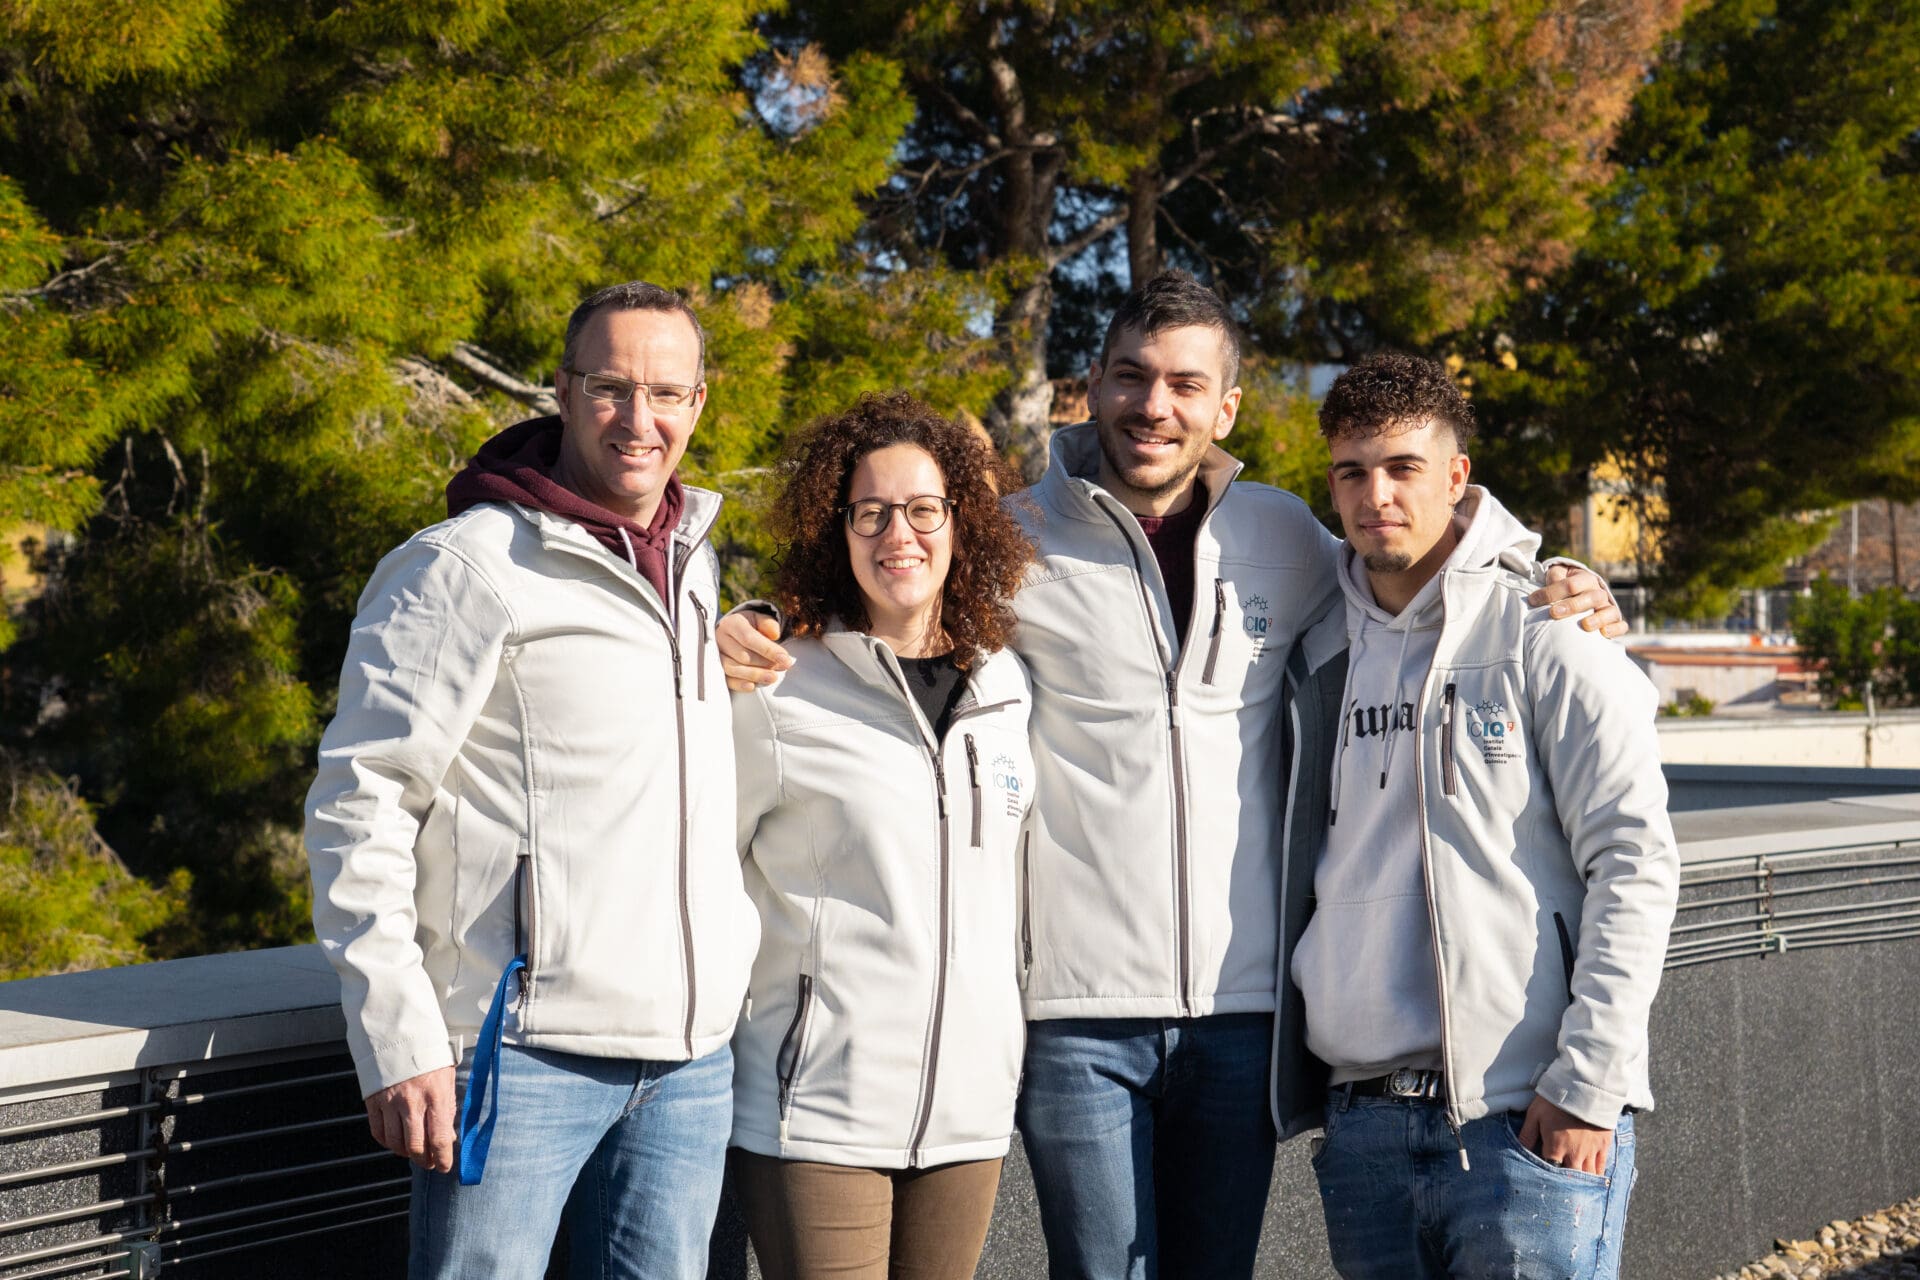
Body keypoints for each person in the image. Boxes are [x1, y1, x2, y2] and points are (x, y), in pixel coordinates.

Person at [719, 271, 1623, 1279]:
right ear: (1093, 387)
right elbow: (888, 572)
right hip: (1075, 1019)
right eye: (1131, 376)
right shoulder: (1011, 538)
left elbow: (1414, 565)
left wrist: (1547, 575)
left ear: (1224, 407)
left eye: (1187, 384)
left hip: (1242, 1017)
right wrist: (757, 619)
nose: (1156, 405)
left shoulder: (1284, 535)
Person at [303, 281, 759, 1279]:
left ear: (700, 402)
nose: (640, 421)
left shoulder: (692, 567)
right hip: (520, 1059)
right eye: (610, 388)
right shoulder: (461, 567)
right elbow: (360, 800)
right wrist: (397, 1034)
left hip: (688, 1064)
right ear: (561, 389)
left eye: (667, 393)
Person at [1278, 351, 1678, 1279]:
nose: (1375, 494)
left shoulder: (1549, 631)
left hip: (1524, 1122)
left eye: (1403, 468)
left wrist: (1588, 1086)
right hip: (1362, 1125)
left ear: (1456, 478)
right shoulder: (1314, 652)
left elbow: (1637, 861)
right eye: (1351, 471)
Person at [727, 392, 1036, 1279]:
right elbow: (704, 866)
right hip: (817, 1107)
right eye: (871, 512)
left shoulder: (1006, 686)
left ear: (959, 522)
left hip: (969, 1110)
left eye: (923, 509)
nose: (898, 532)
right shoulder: (779, 685)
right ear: (839, 529)